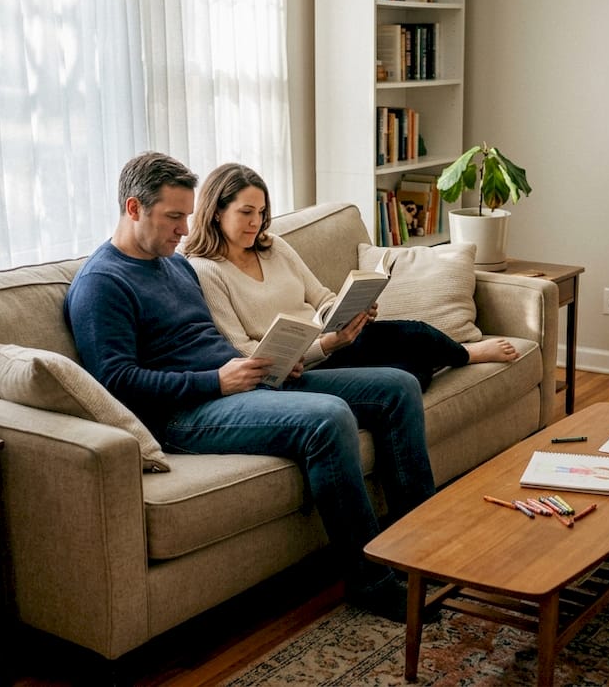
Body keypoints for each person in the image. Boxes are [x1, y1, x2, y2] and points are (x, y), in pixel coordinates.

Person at [64, 151, 437, 623]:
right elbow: (115, 381)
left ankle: (425, 550)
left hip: (242, 382)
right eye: (173, 217)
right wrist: (217, 380)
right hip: (186, 414)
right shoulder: (102, 284)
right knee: (328, 419)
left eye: (187, 216)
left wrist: (268, 364)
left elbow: (212, 338)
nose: (183, 231)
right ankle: (371, 581)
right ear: (134, 208)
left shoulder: (173, 265)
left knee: (397, 388)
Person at [180, 162, 516, 390]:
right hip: (299, 366)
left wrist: (346, 313)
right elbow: (243, 351)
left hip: (333, 342)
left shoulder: (274, 246)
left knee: (414, 334)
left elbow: (322, 297)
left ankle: (459, 354)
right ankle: (466, 355)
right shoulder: (205, 268)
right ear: (216, 212)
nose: (257, 222)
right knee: (407, 374)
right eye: (246, 212)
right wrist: (323, 346)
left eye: (263, 212)